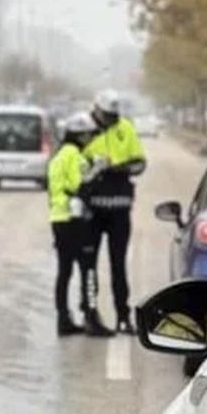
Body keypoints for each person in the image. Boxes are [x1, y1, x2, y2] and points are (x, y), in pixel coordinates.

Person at [83, 89, 147, 334]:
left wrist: (118, 168)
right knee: (89, 266)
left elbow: (140, 162)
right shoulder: (84, 130)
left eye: (113, 115)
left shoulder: (125, 128)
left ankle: (123, 316)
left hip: (119, 210)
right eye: (106, 115)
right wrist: (93, 168)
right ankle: (90, 314)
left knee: (118, 265)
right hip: (91, 212)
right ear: (96, 109)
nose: (110, 120)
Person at [49, 111, 112, 337]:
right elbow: (81, 185)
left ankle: (63, 319)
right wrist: (98, 168)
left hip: (58, 219)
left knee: (64, 272)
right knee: (88, 269)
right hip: (75, 220)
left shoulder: (58, 156)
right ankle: (91, 317)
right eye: (87, 136)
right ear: (78, 135)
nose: (89, 140)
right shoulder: (74, 155)